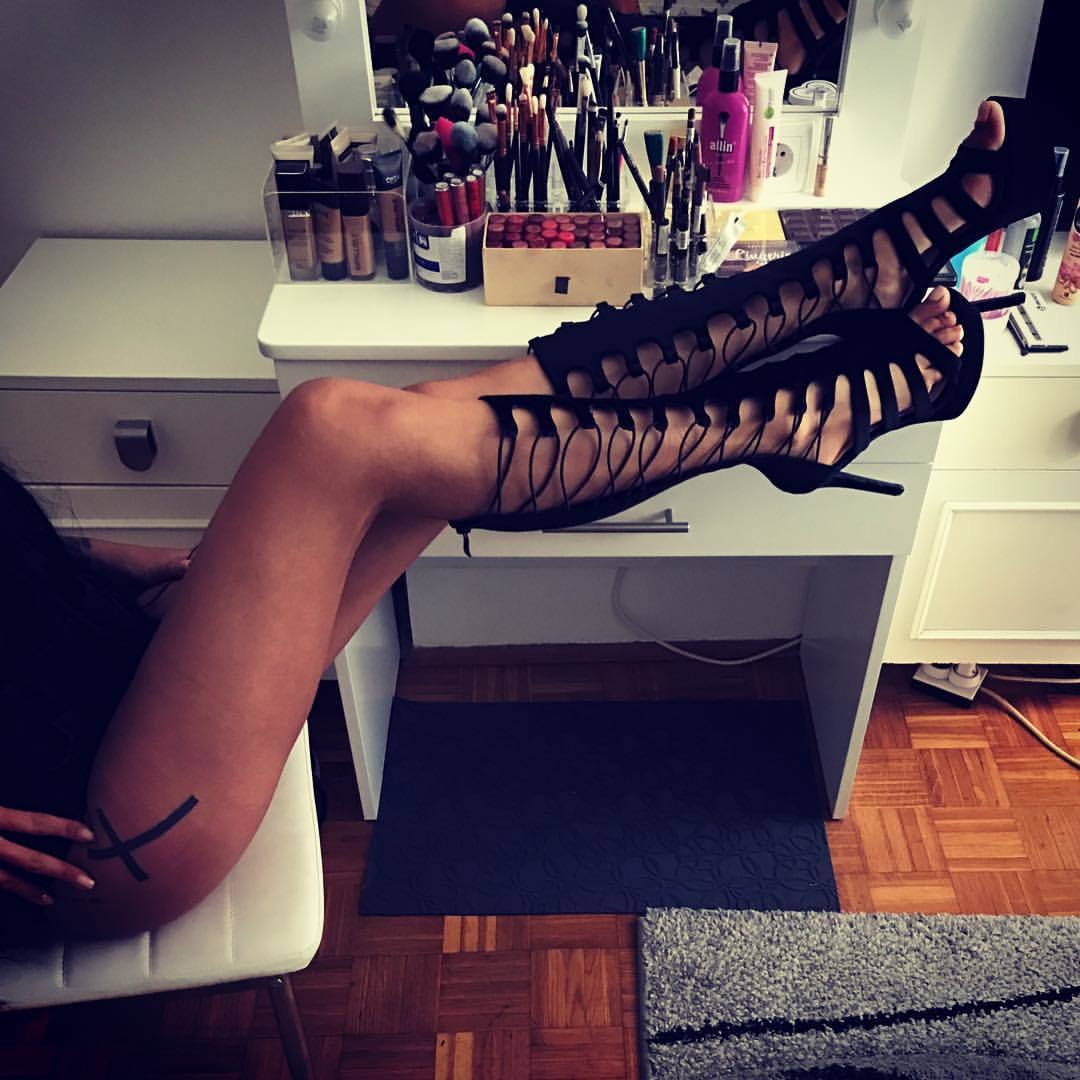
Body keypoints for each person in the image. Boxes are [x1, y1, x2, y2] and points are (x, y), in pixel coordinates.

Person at [0, 99, 1046, 943]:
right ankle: (807, 380)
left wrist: (75, 559)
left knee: (411, 426)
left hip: (102, 663)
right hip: (89, 837)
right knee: (330, 432)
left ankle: (819, 365)